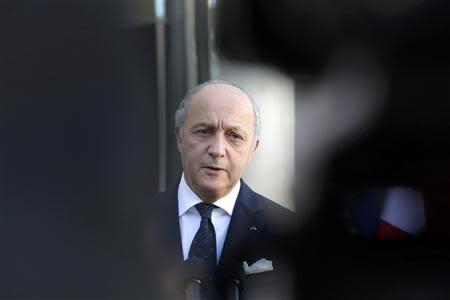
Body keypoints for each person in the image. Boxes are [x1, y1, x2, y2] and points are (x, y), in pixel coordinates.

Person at [143, 80, 296, 299]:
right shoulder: (132, 224)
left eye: (234, 136)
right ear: (179, 137)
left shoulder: (284, 234)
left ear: (253, 148)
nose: (217, 150)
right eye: (204, 131)